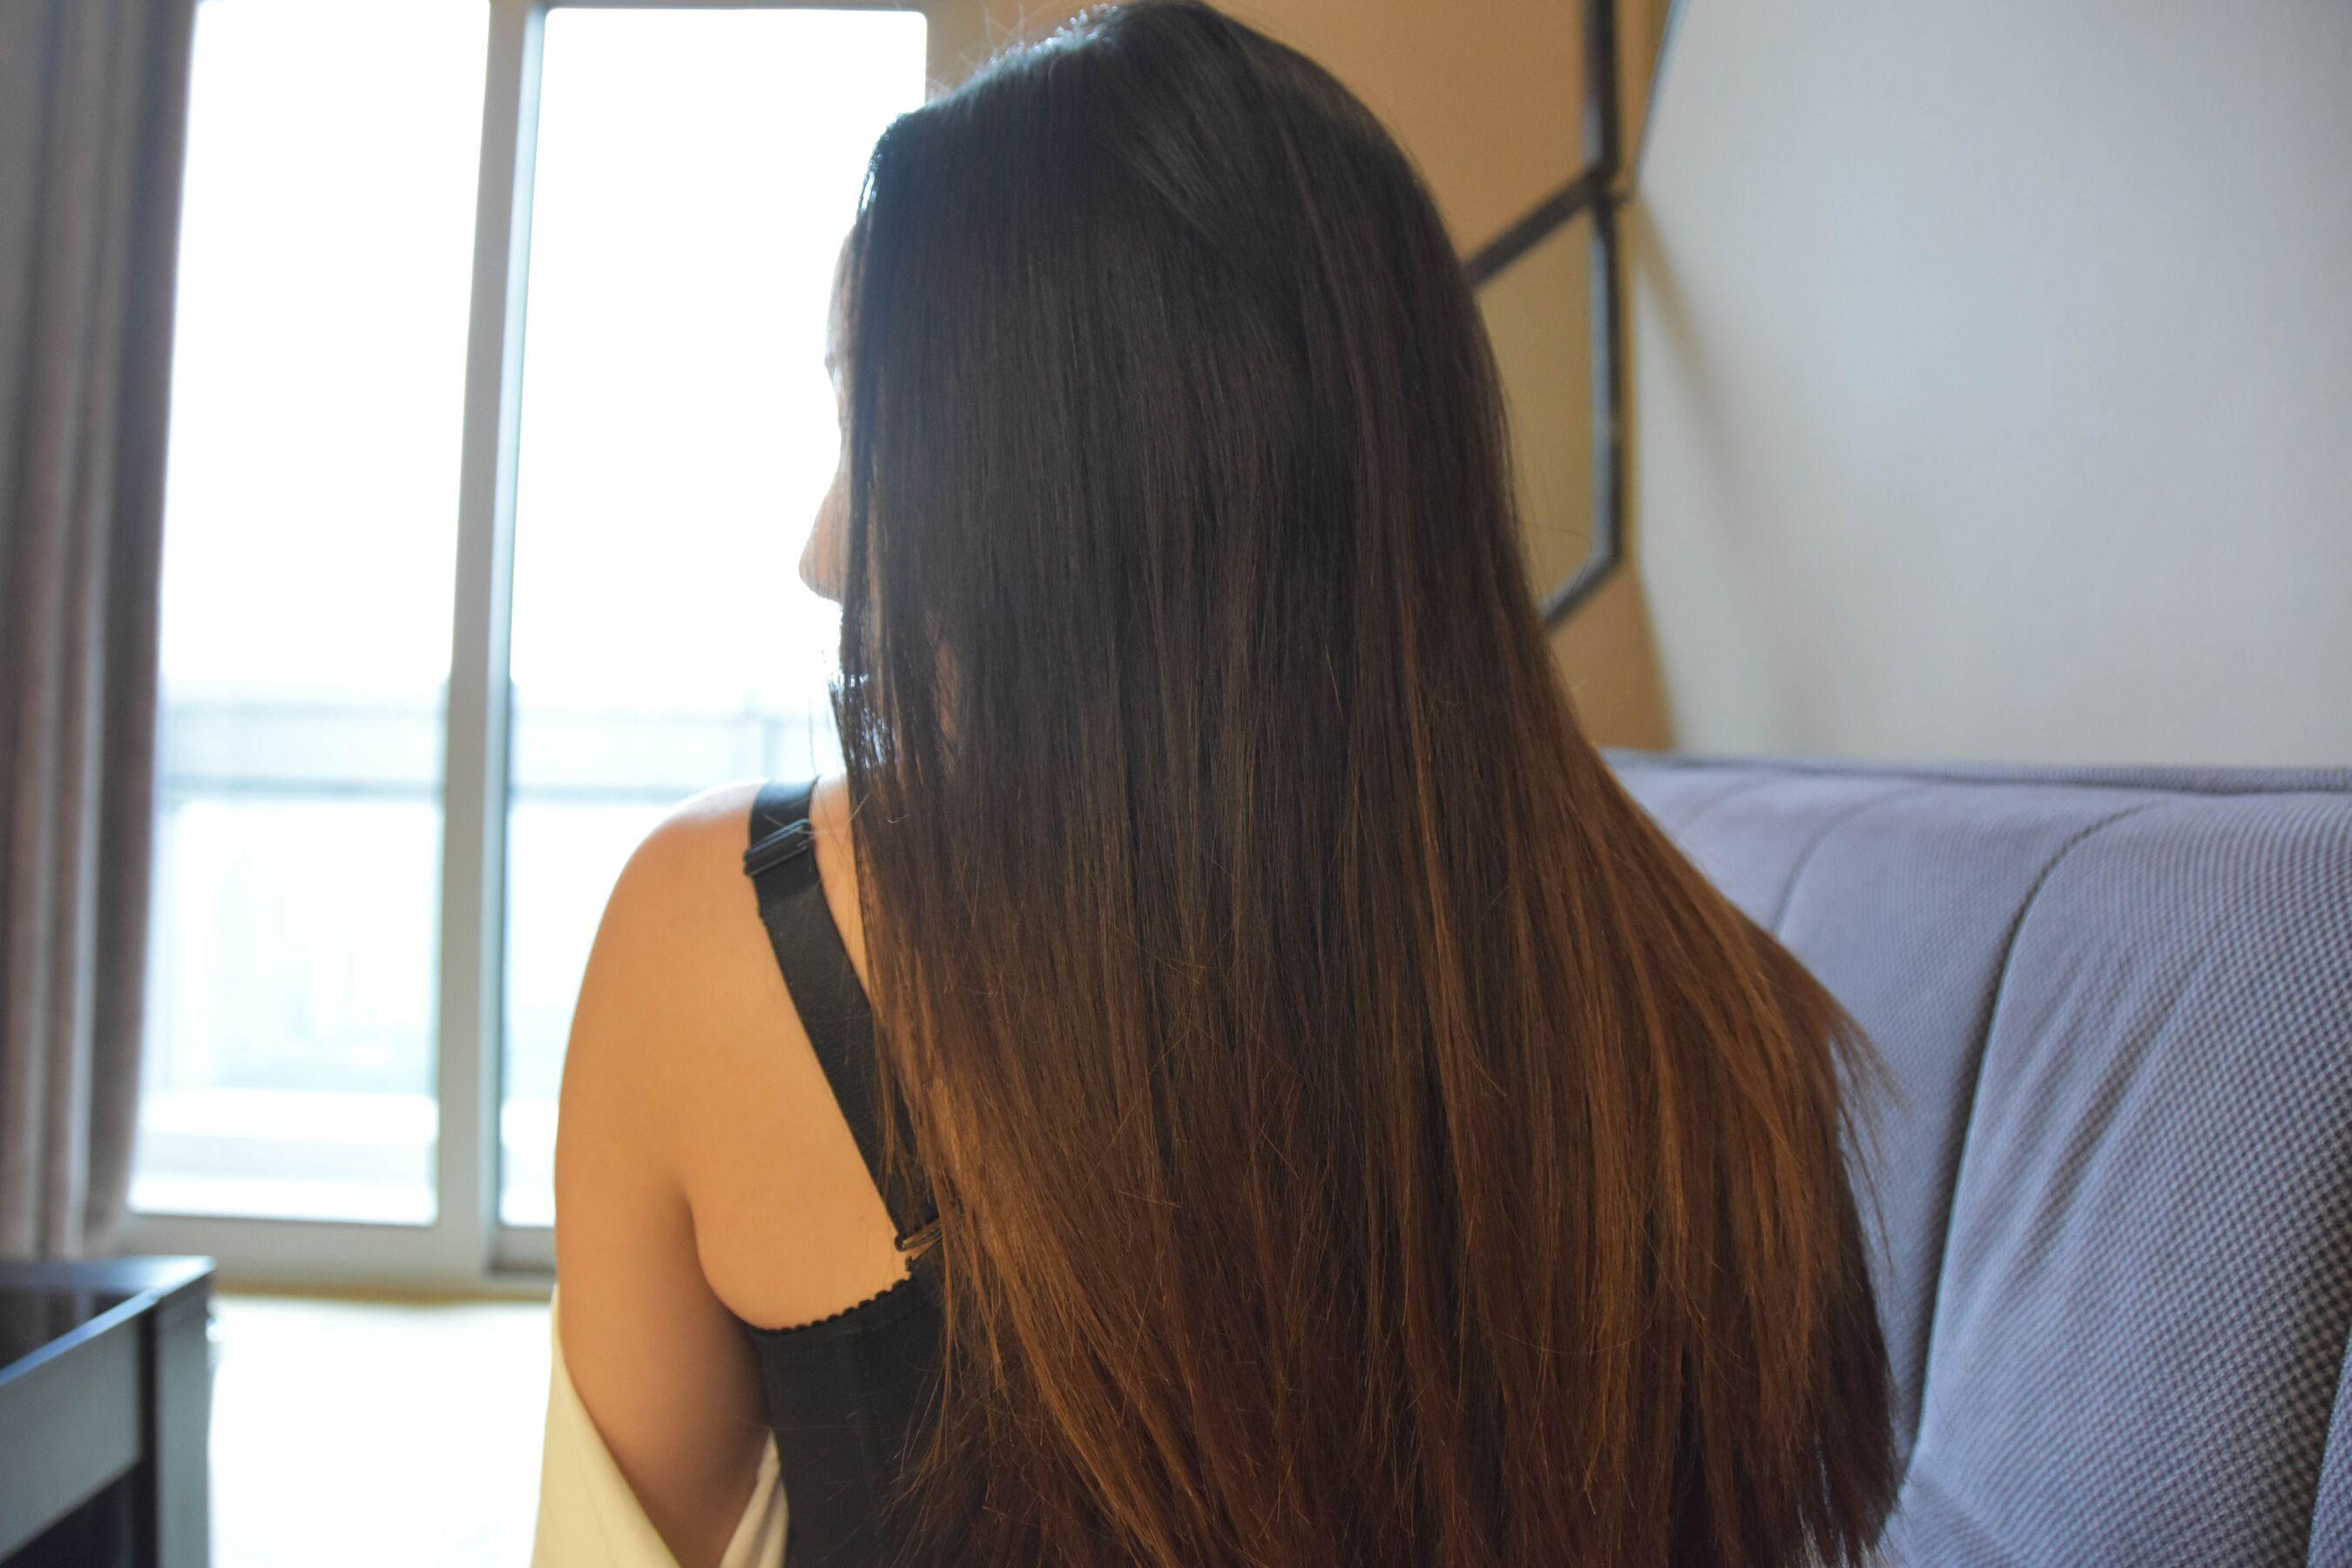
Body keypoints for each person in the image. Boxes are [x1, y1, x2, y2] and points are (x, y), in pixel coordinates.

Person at [536, 3, 1899, 1564]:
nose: (822, 555)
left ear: (1055, 494)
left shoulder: (722, 941)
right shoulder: (1730, 1046)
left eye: (873, 431)